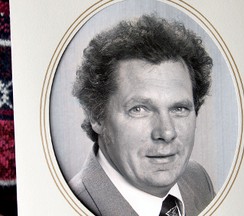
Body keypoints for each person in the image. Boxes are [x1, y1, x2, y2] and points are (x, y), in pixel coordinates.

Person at [69, 14, 215, 216]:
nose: (166, 132)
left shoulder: (198, 179)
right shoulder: (67, 206)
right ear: (96, 116)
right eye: (139, 109)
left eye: (179, 108)